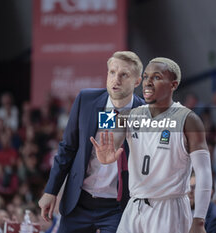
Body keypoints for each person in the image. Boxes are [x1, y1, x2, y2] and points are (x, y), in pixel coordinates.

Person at [91, 57, 212, 233]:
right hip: (134, 206)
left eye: (156, 77)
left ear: (173, 85)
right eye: (146, 76)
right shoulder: (128, 116)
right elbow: (113, 141)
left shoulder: (189, 120)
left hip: (169, 208)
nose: (148, 82)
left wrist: (199, 220)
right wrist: (107, 156)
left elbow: (204, 172)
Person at [38, 51, 144, 233]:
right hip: (79, 201)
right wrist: (51, 191)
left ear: (137, 81)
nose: (115, 79)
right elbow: (68, 148)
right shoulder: (86, 100)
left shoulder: (146, 115)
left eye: (124, 75)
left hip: (117, 207)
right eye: (112, 72)